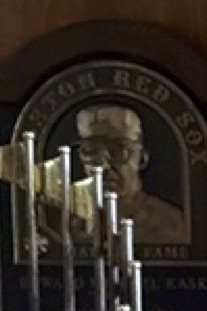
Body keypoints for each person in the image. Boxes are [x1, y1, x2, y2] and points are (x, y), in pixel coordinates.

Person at [73, 102, 188, 246]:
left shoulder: (171, 223)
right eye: (90, 149)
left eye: (119, 150)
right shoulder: (69, 225)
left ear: (141, 158)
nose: (102, 165)